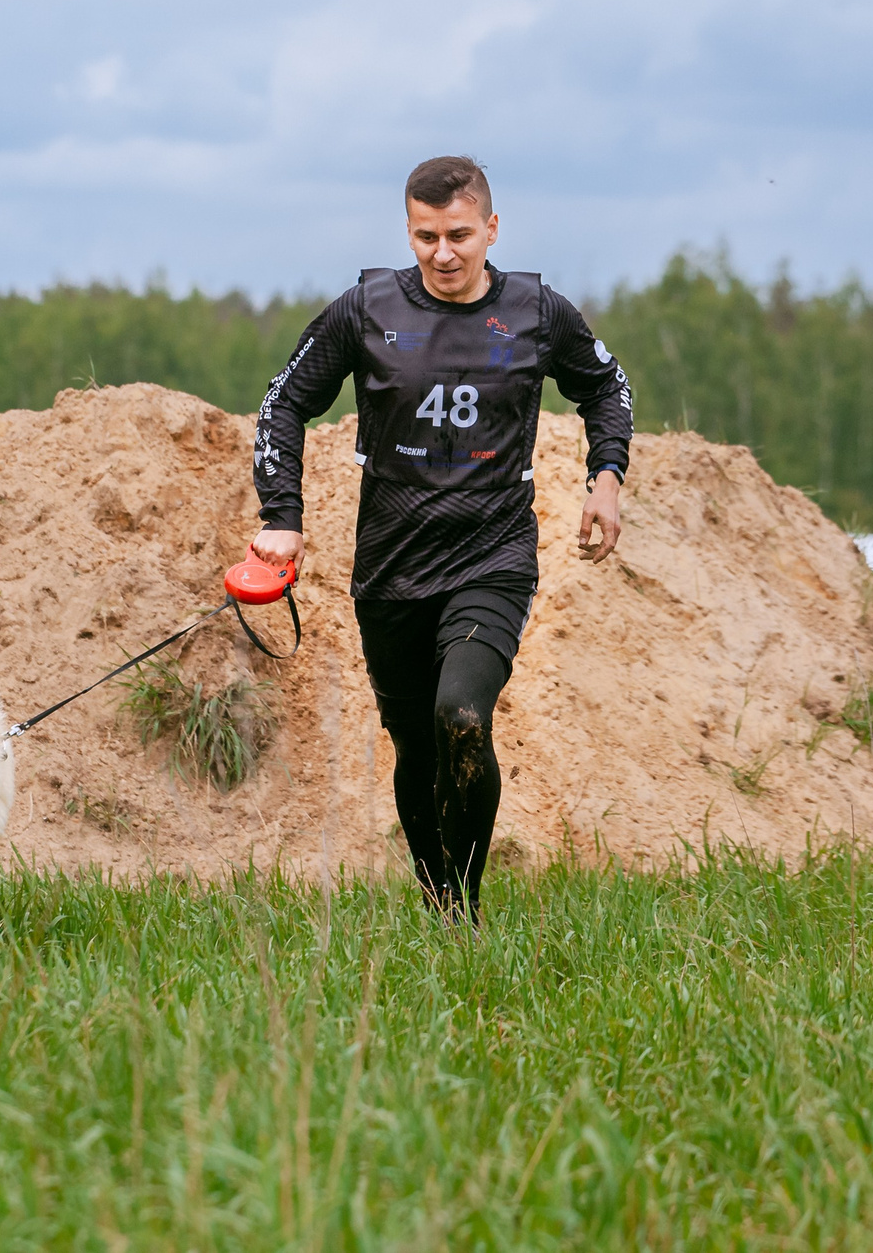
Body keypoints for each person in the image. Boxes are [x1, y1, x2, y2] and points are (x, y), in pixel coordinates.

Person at [249, 156, 634, 924]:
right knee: (416, 748)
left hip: (492, 556)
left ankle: (467, 908)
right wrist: (282, 515)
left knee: (461, 714)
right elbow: (283, 402)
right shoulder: (364, 310)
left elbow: (604, 385)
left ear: (491, 228)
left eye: (459, 234)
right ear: (409, 231)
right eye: (426, 236)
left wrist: (607, 476)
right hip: (390, 566)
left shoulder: (538, 312)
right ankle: (441, 908)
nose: (443, 253)